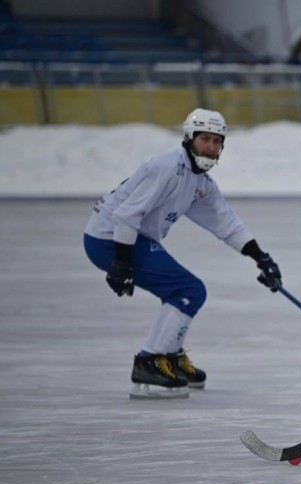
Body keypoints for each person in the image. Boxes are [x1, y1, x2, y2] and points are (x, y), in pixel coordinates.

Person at [83, 108, 283, 400]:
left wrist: (261, 257)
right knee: (188, 290)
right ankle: (150, 362)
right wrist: (121, 263)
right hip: (110, 239)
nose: (211, 148)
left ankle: (170, 356)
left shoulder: (200, 182)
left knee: (181, 290)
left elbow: (226, 224)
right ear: (189, 138)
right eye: (205, 139)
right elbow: (126, 216)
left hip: (132, 238)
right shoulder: (165, 168)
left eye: (217, 141)